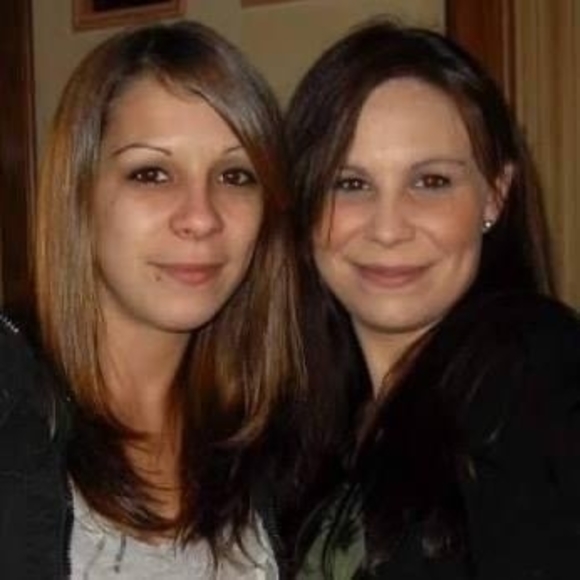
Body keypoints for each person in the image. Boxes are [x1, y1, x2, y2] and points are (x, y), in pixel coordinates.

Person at [0, 20, 304, 579]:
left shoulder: (278, 433)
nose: (201, 217)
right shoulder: (11, 400)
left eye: (235, 175)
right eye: (152, 173)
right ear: (80, 194)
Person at [284, 18, 580, 580]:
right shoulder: (308, 423)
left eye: (431, 182)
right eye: (351, 184)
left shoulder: (534, 368)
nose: (388, 228)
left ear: (494, 195)